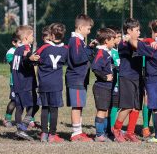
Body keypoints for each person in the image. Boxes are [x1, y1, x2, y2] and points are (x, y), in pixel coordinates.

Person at [129, 18, 157, 144]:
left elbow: (133, 42)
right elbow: (156, 41)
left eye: (151, 32)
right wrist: (150, 41)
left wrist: (130, 35)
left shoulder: (153, 48)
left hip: (155, 82)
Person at [112, 18, 143, 143]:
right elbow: (133, 47)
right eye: (137, 30)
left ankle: (130, 132)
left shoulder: (136, 41)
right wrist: (130, 40)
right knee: (127, 106)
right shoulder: (123, 44)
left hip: (137, 77)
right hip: (127, 77)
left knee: (136, 107)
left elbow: (141, 43)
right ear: (129, 31)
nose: (139, 32)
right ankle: (116, 129)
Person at [36, 23, 68, 143]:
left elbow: (33, 57)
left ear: (52, 34)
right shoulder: (65, 49)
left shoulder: (44, 48)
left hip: (44, 83)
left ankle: (44, 133)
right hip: (56, 84)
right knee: (54, 109)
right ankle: (52, 135)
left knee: (45, 108)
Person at [65, 14, 95, 142]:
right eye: (88, 29)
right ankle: (75, 133)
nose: (89, 31)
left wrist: (89, 48)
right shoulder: (75, 41)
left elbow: (81, 54)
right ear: (81, 27)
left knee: (79, 105)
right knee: (76, 106)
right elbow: (77, 59)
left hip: (81, 79)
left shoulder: (80, 41)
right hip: (75, 78)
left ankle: (79, 131)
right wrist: (90, 53)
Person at [12, 25, 40, 140]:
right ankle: (22, 129)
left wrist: (31, 61)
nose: (33, 37)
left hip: (17, 83)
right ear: (26, 38)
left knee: (19, 107)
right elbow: (25, 59)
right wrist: (30, 58)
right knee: (35, 105)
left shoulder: (17, 49)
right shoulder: (25, 49)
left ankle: (19, 131)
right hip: (25, 84)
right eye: (32, 35)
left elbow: (21, 64)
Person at [91, 28, 116, 142]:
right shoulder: (101, 53)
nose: (114, 42)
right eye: (113, 39)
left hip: (108, 87)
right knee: (101, 110)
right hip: (101, 87)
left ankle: (105, 132)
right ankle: (99, 134)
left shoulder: (106, 52)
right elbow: (95, 68)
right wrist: (105, 77)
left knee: (106, 110)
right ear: (106, 40)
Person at [3, 33, 19, 127]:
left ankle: (30, 120)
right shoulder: (11, 52)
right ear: (14, 42)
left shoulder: (26, 50)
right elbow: (13, 64)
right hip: (15, 81)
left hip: (25, 81)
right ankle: (7, 119)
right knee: (14, 100)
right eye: (20, 42)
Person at [108, 26, 122, 130]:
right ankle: (111, 127)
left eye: (120, 36)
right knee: (114, 105)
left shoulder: (122, 50)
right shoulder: (111, 51)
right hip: (114, 83)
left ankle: (113, 126)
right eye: (116, 37)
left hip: (122, 81)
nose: (118, 39)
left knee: (119, 106)